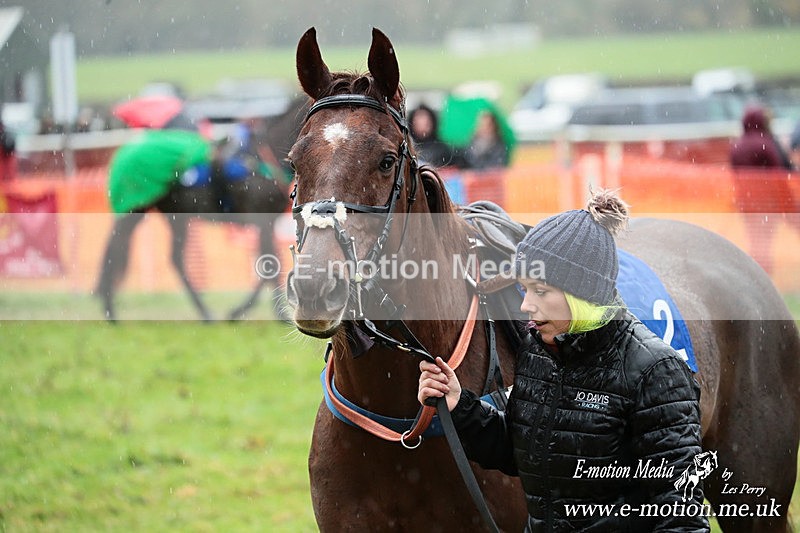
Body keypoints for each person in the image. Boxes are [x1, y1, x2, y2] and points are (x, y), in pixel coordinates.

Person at [418, 190, 708, 532]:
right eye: (524, 290)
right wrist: (460, 407)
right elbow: (523, 453)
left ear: (580, 295)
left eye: (540, 291)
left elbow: (679, 518)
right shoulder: (538, 350)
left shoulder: (657, 373)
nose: (525, 305)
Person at [729, 104, 797, 274]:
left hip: (747, 202)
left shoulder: (737, 145)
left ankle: (756, 273)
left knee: (755, 240)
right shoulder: (765, 143)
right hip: (767, 202)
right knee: (765, 241)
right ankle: (764, 273)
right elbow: (778, 173)